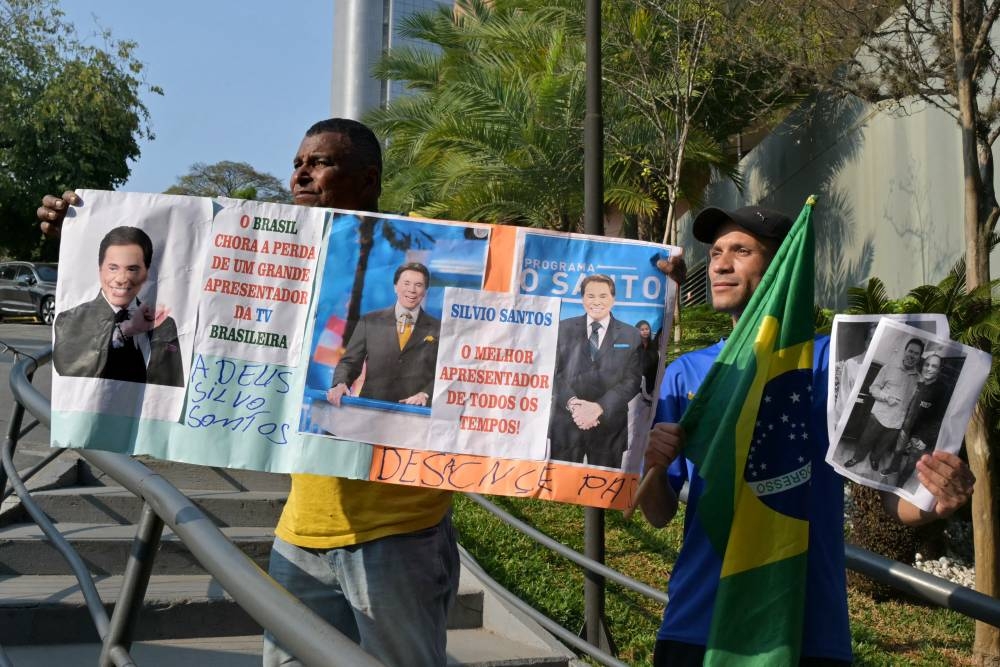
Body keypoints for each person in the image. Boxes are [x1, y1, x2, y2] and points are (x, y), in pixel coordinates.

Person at [38, 118, 459, 667]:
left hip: (400, 535)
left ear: (369, 178)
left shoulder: (427, 245)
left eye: (320, 163)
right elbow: (164, 272)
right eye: (297, 163)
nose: (300, 174)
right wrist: (74, 230)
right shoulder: (274, 250)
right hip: (300, 533)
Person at [639, 204, 975, 666]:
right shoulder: (687, 374)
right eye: (716, 251)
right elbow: (657, 513)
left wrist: (935, 500)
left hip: (807, 630)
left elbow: (890, 502)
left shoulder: (835, 365)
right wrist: (654, 465)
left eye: (740, 250)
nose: (718, 263)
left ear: (780, 266)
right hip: (699, 625)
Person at [52, 225, 184, 387]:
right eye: (113, 268)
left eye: (132, 269)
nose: (122, 278)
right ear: (100, 269)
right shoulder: (71, 319)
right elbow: (70, 372)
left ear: (146, 272)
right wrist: (124, 331)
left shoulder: (164, 324)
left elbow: (173, 385)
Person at [549, 274, 642, 468]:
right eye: (590, 296)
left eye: (603, 296)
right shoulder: (562, 329)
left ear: (613, 299)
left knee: (603, 493)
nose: (596, 302)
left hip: (610, 428)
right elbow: (552, 371)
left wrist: (599, 407)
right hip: (566, 425)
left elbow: (632, 380)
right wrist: (574, 405)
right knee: (561, 489)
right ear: (582, 298)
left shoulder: (631, 334)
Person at [327, 262, 439, 407]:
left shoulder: (438, 329)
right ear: (395, 287)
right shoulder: (370, 321)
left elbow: (443, 373)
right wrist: (340, 384)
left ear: (425, 291)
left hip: (414, 416)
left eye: (418, 285)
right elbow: (350, 362)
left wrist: (426, 393)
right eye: (406, 283)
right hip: (370, 411)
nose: (412, 290)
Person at [844, 337, 924, 472]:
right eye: (910, 351)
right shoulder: (888, 368)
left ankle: (874, 459)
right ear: (905, 351)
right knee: (866, 440)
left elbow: (915, 402)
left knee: (884, 445)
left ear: (919, 357)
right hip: (878, 416)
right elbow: (873, 388)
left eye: (916, 354)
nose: (912, 355)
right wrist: (887, 397)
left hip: (897, 421)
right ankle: (857, 457)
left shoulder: (919, 378)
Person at [888, 352, 951, 490]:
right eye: (927, 365)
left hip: (921, 436)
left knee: (911, 462)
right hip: (906, 427)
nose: (929, 368)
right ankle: (893, 468)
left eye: (934, 366)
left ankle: (900, 484)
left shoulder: (943, 390)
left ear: (939, 370)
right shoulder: (917, 382)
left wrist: (925, 439)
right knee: (898, 451)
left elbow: (940, 419)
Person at [636, 319, 660, 397]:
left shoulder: (654, 346)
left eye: (647, 329)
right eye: (642, 330)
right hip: (637, 384)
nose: (645, 331)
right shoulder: (634, 346)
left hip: (652, 383)